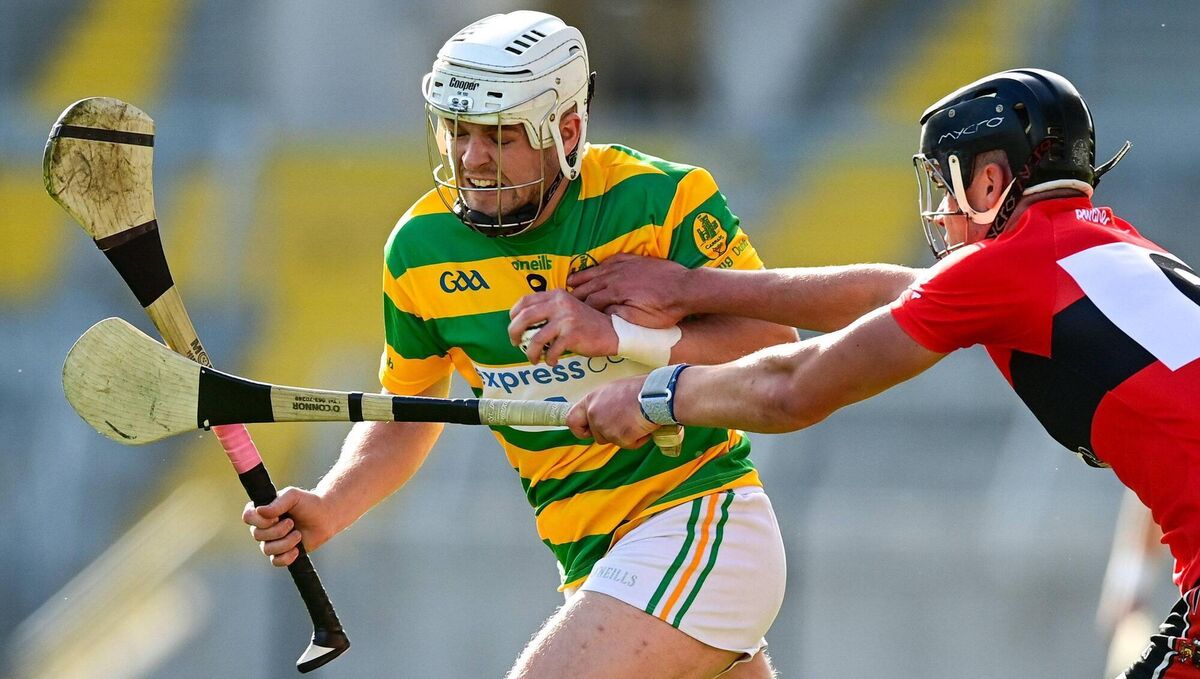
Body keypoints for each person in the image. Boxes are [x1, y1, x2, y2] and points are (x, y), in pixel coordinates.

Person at [565, 68, 1200, 677]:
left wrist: (655, 398)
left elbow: (793, 388)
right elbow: (892, 293)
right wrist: (694, 288)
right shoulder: (1108, 249)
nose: (944, 211)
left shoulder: (1010, 270)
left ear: (989, 182)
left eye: (949, 187)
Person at [243, 10, 797, 679]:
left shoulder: (663, 201)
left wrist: (622, 336)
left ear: (565, 131)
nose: (471, 158)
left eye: (499, 136)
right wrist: (332, 504)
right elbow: (406, 412)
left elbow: (774, 345)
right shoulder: (419, 251)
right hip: (592, 559)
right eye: (458, 130)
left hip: (702, 519)